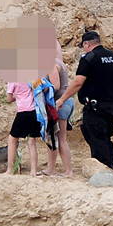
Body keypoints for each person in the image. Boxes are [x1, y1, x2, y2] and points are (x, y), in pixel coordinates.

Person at [56, 31, 113, 169]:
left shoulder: (89, 58)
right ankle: (110, 161)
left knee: (95, 135)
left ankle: (104, 167)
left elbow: (78, 82)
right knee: (104, 134)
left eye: (83, 46)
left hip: (96, 105)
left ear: (87, 44)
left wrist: (62, 99)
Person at [45, 43, 74, 177]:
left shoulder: (51, 64)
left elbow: (55, 86)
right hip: (65, 102)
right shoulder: (58, 62)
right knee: (54, 137)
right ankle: (51, 169)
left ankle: (68, 170)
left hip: (60, 104)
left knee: (60, 138)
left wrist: (39, 87)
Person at [4, 81, 40, 176]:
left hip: (22, 112)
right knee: (32, 142)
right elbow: (41, 88)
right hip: (34, 111)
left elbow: (8, 98)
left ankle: (10, 169)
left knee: (12, 139)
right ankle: (33, 171)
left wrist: (16, 96)